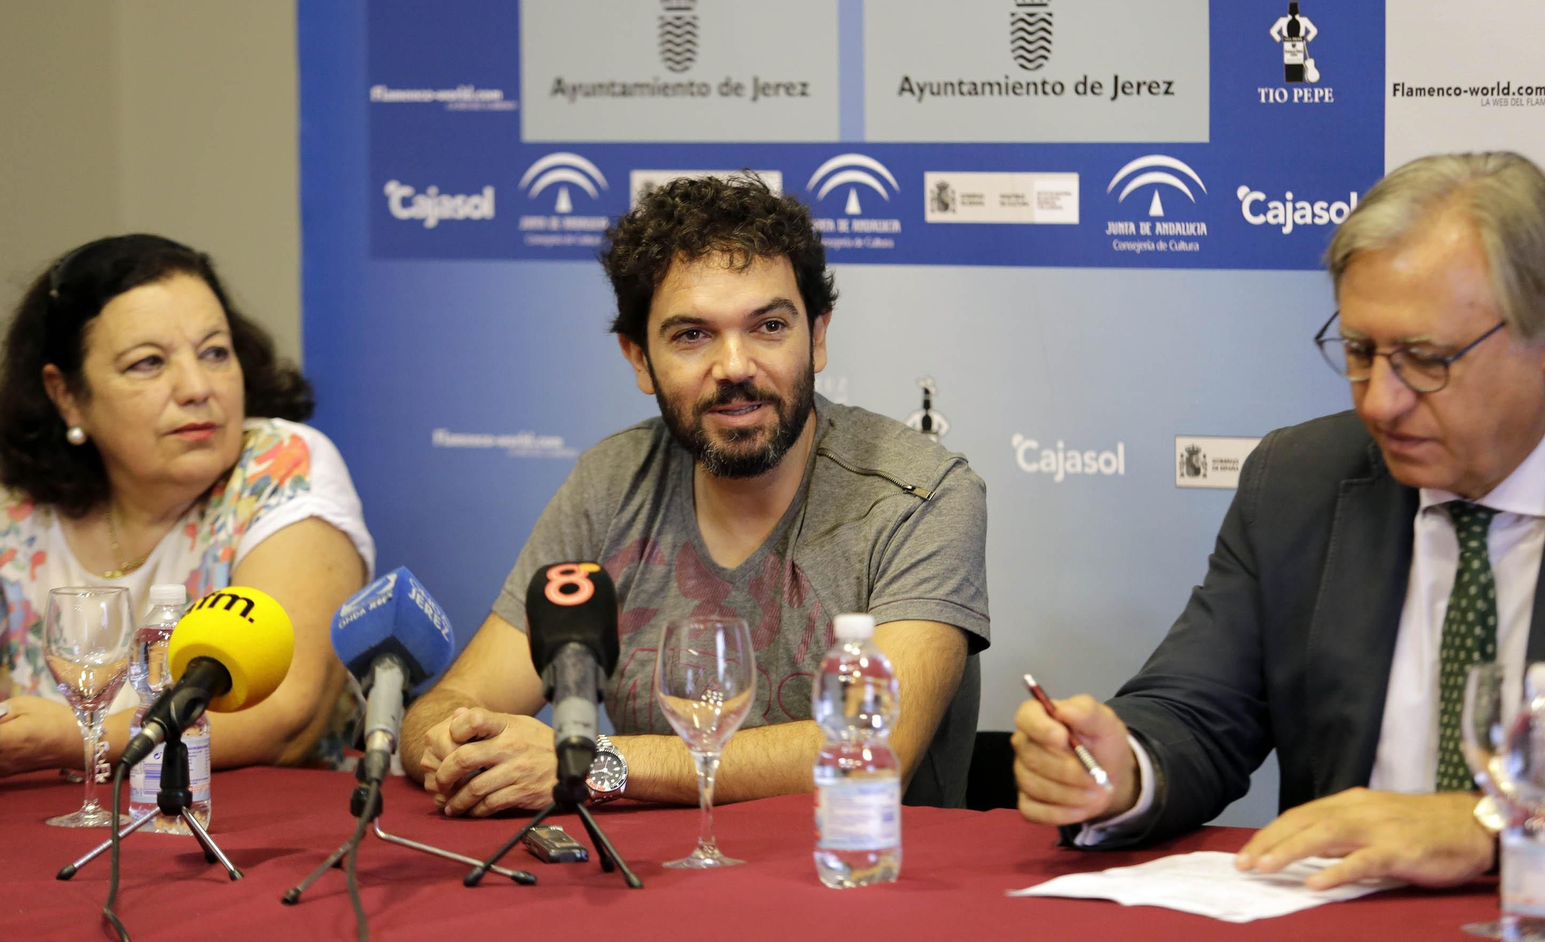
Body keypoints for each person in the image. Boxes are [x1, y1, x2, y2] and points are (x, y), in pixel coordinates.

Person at [1014, 151, 1545, 890]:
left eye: (1425, 360)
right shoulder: (1302, 479)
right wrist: (1120, 771)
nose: (1380, 402)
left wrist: (1491, 824)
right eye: (1360, 352)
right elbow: (1198, 712)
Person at [402, 173, 990, 815]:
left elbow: (873, 751)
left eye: (768, 326)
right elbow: (453, 703)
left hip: (854, 879)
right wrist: (455, 741)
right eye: (692, 335)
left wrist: (593, 764)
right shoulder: (609, 482)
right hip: (647, 887)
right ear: (638, 358)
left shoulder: (919, 494)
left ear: (817, 338)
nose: (735, 366)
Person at [0, 234, 374, 779]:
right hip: (40, 842)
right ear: (67, 395)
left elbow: (286, 718)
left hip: (255, 840)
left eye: (215, 352)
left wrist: (80, 740)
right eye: (149, 363)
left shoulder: (280, 468)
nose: (197, 387)